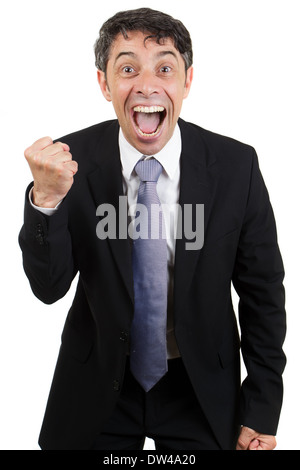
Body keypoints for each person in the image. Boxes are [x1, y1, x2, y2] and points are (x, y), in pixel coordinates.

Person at [19, 8, 286, 450]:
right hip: (98, 380)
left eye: (164, 67)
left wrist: (262, 406)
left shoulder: (237, 166)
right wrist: (46, 201)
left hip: (200, 388)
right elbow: (47, 289)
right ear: (105, 84)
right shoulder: (68, 163)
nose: (146, 85)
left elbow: (263, 294)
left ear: (187, 81)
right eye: (127, 69)